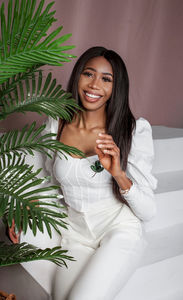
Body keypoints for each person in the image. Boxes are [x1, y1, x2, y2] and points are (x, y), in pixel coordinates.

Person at [16, 46, 158, 300]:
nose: (94, 85)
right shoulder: (56, 123)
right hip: (75, 235)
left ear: (117, 87)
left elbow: (148, 211)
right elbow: (49, 180)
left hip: (118, 230)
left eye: (106, 79)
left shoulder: (133, 131)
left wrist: (118, 172)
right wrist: (25, 206)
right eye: (88, 74)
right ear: (77, 76)